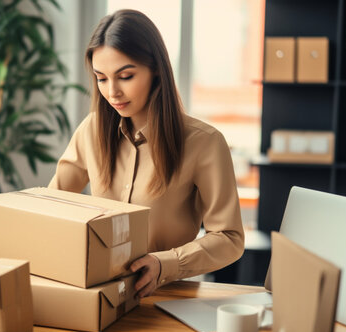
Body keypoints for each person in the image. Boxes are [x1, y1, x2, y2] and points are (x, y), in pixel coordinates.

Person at [48, 9, 244, 299]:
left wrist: (165, 263)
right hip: (98, 295)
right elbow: (48, 208)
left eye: (125, 76)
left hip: (169, 298)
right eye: (101, 78)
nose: (112, 91)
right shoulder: (91, 131)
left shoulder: (205, 143)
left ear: (156, 70)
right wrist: (1, 250)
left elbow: (230, 238)